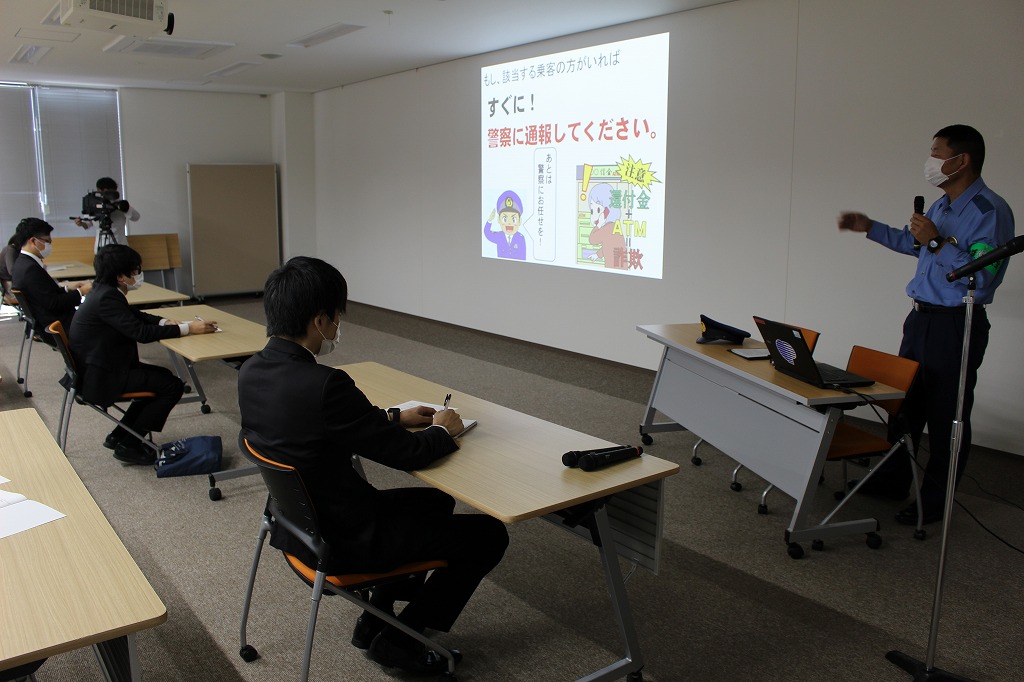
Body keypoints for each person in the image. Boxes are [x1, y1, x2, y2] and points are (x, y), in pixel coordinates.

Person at [237, 256, 508, 676]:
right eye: (337, 316)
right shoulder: (326, 384)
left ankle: (374, 619)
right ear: (320, 320)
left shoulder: (252, 370)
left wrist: (393, 416)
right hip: (345, 539)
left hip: (298, 527)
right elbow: (407, 455)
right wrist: (443, 429)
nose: (338, 326)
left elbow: (317, 422)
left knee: (436, 503)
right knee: (489, 534)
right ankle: (399, 643)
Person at [837, 124, 1015, 525]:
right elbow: (915, 244)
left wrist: (937, 242)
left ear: (961, 160)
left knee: (946, 414)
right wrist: (870, 227)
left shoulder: (990, 211)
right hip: (920, 319)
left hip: (956, 326)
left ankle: (934, 502)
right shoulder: (941, 206)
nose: (930, 161)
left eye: (937, 153)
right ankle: (893, 480)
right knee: (905, 407)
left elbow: (981, 276)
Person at [69, 244, 218, 464]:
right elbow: (141, 333)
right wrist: (187, 329)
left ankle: (120, 435)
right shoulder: (107, 298)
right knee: (172, 386)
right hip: (102, 378)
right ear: (121, 276)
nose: (138, 275)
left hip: (101, 368)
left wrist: (164, 322)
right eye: (135, 271)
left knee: (163, 377)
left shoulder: (103, 291)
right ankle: (130, 445)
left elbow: (135, 315)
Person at [11, 217, 92, 334]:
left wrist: (67, 289)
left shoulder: (21, 263)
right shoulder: (30, 268)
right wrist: (81, 292)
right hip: (58, 325)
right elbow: (53, 303)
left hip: (48, 322)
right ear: (33, 241)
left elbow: (44, 294)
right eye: (47, 241)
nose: (49, 245)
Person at [74, 176, 140, 251]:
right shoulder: (94, 205)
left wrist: (124, 208)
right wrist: (80, 223)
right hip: (101, 247)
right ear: (99, 190)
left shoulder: (120, 205)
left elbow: (136, 217)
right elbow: (87, 224)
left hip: (120, 247)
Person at [1, 231, 27, 305]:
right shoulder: (10, 250)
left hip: (13, 284)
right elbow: (12, 271)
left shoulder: (13, 250)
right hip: (9, 287)